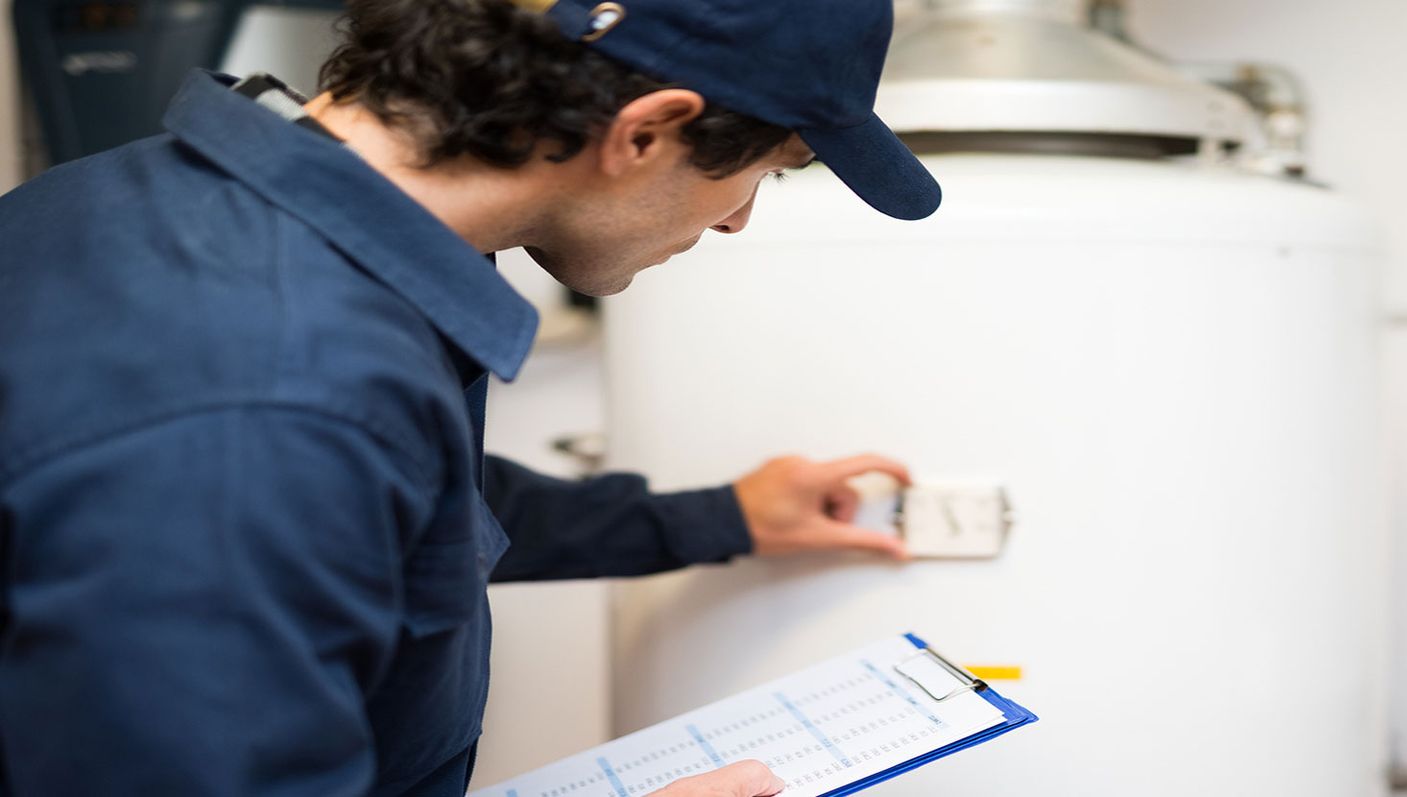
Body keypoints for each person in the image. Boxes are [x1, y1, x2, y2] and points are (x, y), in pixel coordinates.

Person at [0, 0, 940, 794]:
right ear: (645, 130)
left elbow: (401, 512)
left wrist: (716, 517)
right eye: (760, 172)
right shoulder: (267, 404)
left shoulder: (136, 209)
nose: (736, 217)